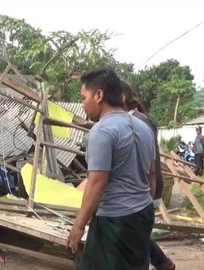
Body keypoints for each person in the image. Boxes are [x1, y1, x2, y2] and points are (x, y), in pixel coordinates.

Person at [67, 67, 156, 270]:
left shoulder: (102, 131)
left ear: (99, 95)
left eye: (84, 97)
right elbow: (151, 174)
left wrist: (79, 226)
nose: (83, 104)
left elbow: (97, 183)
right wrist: (142, 205)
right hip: (143, 213)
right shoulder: (144, 127)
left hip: (114, 221)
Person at [121, 80, 176, 270]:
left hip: (146, 188)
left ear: (121, 98)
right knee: (137, 234)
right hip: (145, 187)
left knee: (135, 237)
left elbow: (147, 164)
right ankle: (163, 263)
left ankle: (162, 263)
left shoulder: (137, 121)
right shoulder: (136, 119)